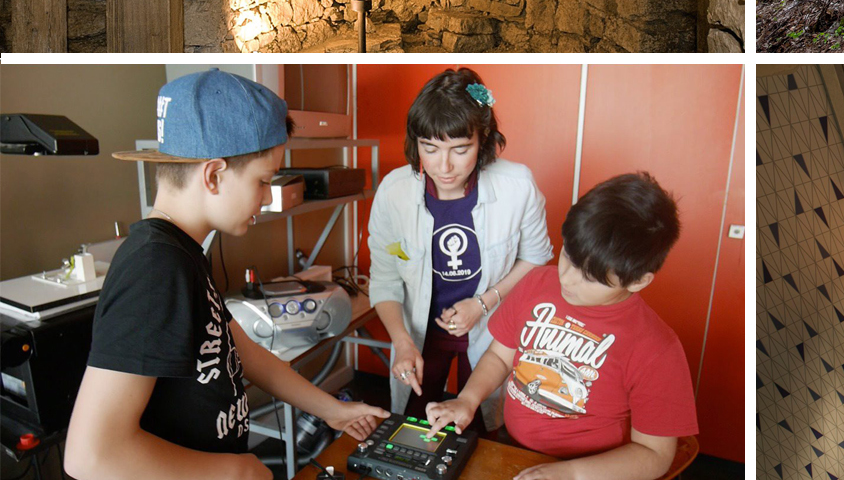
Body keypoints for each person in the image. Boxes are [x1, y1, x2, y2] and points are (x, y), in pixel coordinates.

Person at [65, 70, 388, 480]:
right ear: (214, 175)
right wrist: (238, 472)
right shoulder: (155, 268)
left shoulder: (184, 254)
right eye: (263, 181)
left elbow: (244, 351)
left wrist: (333, 411)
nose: (267, 196)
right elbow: (90, 456)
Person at [425, 173, 698, 480]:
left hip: (591, 471)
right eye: (568, 256)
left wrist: (569, 474)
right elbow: (500, 356)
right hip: (514, 448)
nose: (566, 279)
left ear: (638, 280)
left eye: (590, 278)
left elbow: (654, 455)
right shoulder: (536, 283)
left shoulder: (656, 348)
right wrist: (468, 399)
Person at [368, 67, 553, 430]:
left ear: (483, 137)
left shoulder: (517, 186)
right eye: (430, 148)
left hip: (491, 331)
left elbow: (536, 259)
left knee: (484, 425)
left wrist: (483, 302)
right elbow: (385, 277)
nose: (444, 166)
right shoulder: (394, 192)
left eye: (461, 149)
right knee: (413, 424)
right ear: (416, 141)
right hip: (421, 333)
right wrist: (402, 340)